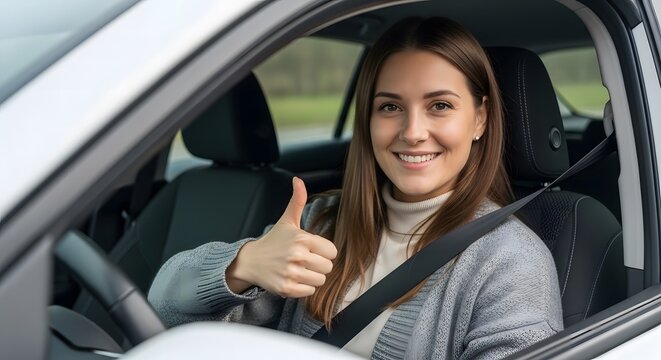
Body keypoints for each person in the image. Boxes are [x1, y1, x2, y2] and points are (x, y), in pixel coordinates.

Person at [148, 17, 563, 359]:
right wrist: (243, 265)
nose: (413, 132)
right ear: (368, 119)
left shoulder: (512, 262)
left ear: (479, 119)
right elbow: (163, 312)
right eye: (390, 107)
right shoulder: (319, 222)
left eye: (440, 106)